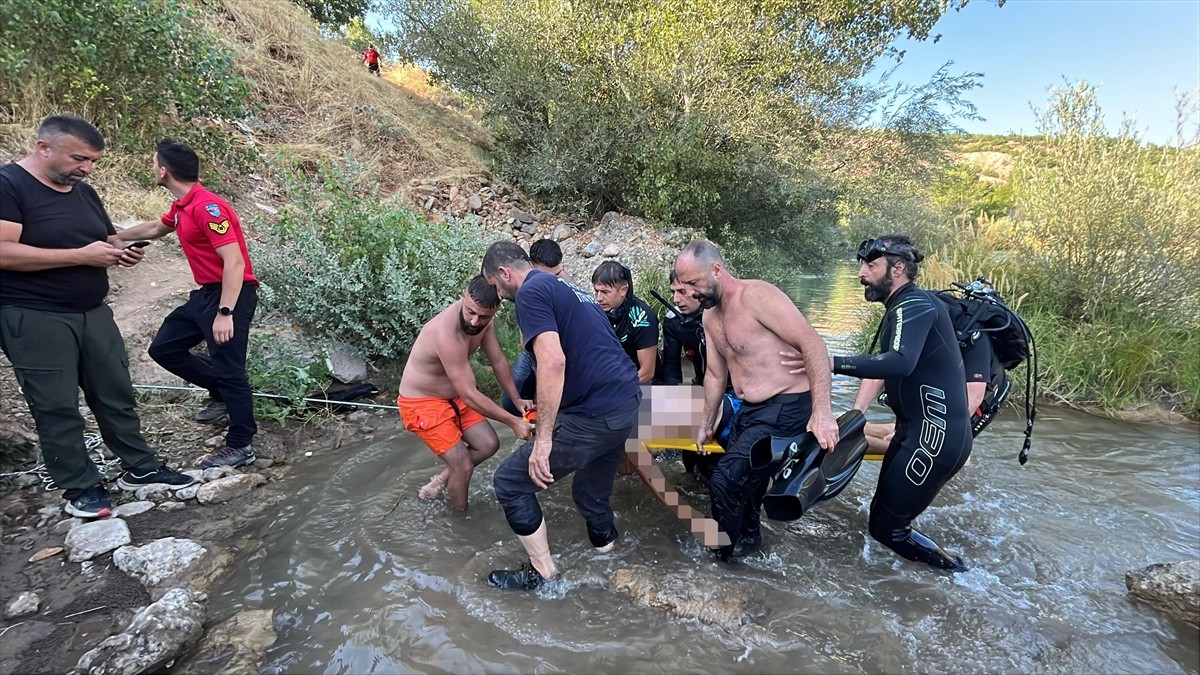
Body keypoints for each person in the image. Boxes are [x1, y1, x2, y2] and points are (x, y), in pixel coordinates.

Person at [0, 115, 195, 518]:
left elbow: (105, 238)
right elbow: (3, 251)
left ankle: (140, 468)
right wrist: (80, 256)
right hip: (33, 314)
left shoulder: (82, 191)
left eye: (91, 161)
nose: (86, 168)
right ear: (44, 148)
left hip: (92, 311)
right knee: (56, 404)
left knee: (115, 392)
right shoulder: (9, 186)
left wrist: (120, 251)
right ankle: (80, 487)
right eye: (79, 158)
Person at [481, 241, 640, 590]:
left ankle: (543, 574)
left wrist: (545, 441)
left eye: (494, 286)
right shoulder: (565, 285)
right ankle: (610, 557)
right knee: (589, 492)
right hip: (626, 402)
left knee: (510, 483)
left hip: (595, 413)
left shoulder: (529, 292)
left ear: (504, 273)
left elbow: (553, 361)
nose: (498, 294)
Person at [674, 240, 839, 562]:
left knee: (723, 480)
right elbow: (714, 375)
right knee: (746, 485)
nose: (691, 293)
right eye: (684, 286)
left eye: (694, 283)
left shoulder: (757, 296)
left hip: (788, 405)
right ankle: (751, 544)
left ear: (717, 270)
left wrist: (823, 413)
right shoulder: (710, 316)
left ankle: (722, 560)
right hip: (750, 410)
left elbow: (814, 345)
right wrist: (706, 423)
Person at [831, 235, 972, 572]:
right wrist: (856, 413)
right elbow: (882, 364)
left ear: (898, 269)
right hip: (917, 433)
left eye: (871, 265)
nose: (862, 274)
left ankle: (959, 576)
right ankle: (926, 579)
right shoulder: (904, 305)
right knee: (881, 523)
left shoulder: (915, 305)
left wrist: (830, 362)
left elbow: (899, 363)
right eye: (862, 265)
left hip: (934, 438)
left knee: (887, 528)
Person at [117, 139, 260, 469]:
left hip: (231, 294)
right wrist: (115, 236)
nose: (152, 167)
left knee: (230, 369)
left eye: (154, 163)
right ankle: (222, 394)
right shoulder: (182, 207)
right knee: (164, 349)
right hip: (205, 295)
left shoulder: (208, 208)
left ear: (164, 171)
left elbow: (235, 263)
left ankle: (241, 444)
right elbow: (155, 227)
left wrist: (226, 313)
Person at [397, 275, 534, 510]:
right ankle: (460, 519)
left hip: (453, 397)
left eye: (483, 316)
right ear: (463, 295)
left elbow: (498, 360)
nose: (474, 321)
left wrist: (516, 398)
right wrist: (513, 421)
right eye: (470, 311)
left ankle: (437, 483)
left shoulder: (484, 320)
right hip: (422, 403)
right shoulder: (445, 334)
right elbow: (470, 394)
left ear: (496, 308)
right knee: (463, 466)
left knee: (489, 444)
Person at [501, 238, 571, 416]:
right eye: (547, 275)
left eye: (557, 273)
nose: (551, 280)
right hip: (533, 345)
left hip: (563, 347)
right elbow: (525, 341)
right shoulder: (526, 288)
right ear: (532, 266)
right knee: (511, 400)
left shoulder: (568, 285)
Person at [592, 260, 659, 383]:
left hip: (641, 384)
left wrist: (613, 390)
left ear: (623, 290)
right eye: (596, 291)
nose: (599, 298)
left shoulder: (643, 317)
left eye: (605, 292)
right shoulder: (596, 311)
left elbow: (647, 373)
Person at [657, 270, 706, 386]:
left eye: (682, 292)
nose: (676, 300)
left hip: (736, 388)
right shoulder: (673, 320)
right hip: (702, 385)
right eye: (673, 292)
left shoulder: (725, 315)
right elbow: (671, 368)